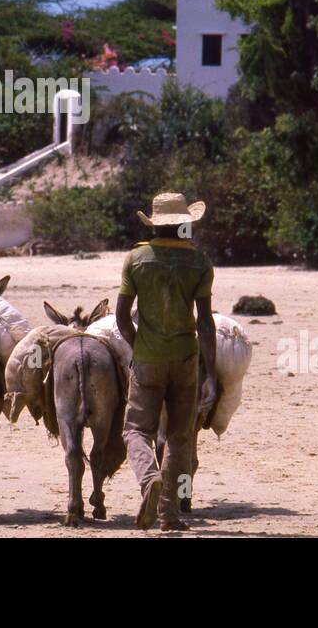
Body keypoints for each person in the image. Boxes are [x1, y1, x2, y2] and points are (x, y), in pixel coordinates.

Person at [116, 192, 217, 531]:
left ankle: (149, 479)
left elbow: (121, 318)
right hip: (186, 360)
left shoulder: (136, 259)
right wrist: (210, 375)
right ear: (185, 224)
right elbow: (205, 323)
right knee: (179, 436)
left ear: (154, 224)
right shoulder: (200, 263)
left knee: (134, 430)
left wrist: (138, 346)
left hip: (148, 360)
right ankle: (169, 513)